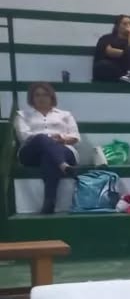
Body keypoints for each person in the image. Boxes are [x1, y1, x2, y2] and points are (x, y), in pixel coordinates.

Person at [14, 82, 80, 214]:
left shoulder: (65, 115)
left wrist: (62, 139)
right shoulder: (22, 115)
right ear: (31, 98)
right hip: (31, 153)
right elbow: (25, 136)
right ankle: (63, 165)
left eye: (45, 95)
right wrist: (50, 139)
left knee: (49, 156)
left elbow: (75, 136)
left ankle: (49, 202)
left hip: (63, 149)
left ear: (51, 97)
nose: (41, 98)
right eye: (37, 95)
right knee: (41, 138)